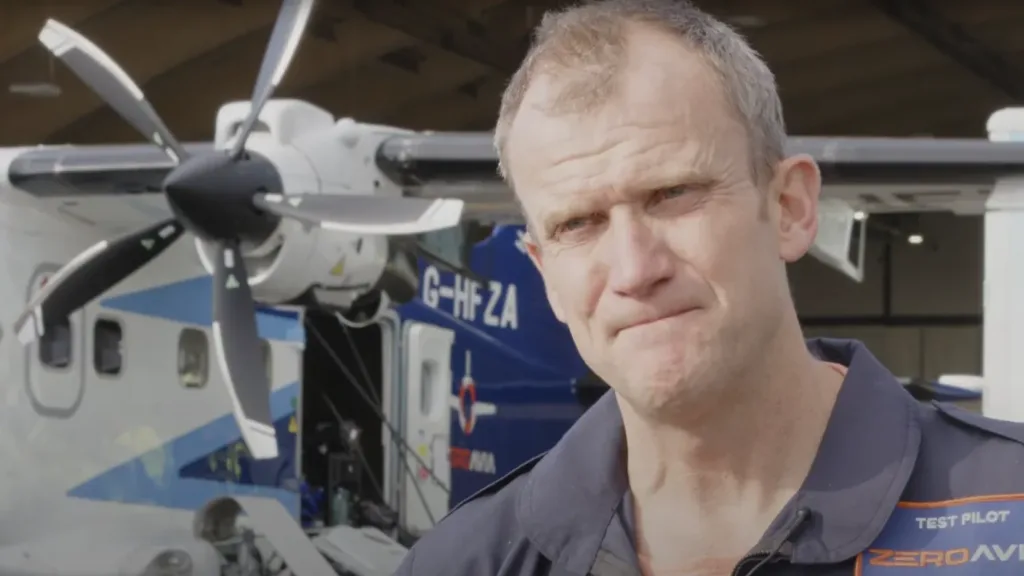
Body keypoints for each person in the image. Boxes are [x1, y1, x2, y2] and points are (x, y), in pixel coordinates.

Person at [394, 1, 1024, 574]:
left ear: (789, 208)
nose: (635, 270)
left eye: (673, 194)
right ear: (544, 274)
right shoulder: (463, 564)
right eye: (578, 224)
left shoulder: (1009, 512)